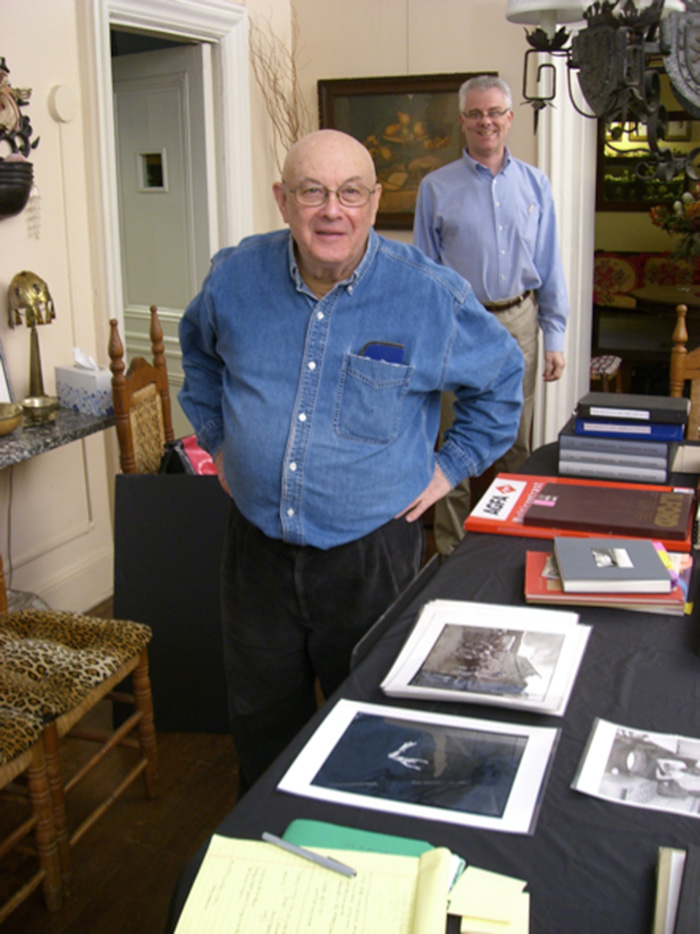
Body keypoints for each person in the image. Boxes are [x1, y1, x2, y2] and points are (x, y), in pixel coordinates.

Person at [178, 128, 524, 793]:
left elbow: (502, 380)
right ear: (283, 200)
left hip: (371, 556)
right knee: (260, 718)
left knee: (372, 721)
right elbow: (197, 354)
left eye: (349, 192)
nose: (330, 210)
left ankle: (363, 858)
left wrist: (449, 467)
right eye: (312, 191)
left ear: (373, 200)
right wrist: (219, 441)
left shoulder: (428, 295)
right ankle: (269, 845)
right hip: (255, 551)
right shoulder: (234, 277)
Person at [414, 74, 569, 555]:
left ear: (509, 118)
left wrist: (555, 335)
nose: (487, 122)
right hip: (458, 326)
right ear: (463, 121)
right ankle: (449, 552)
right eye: (476, 113)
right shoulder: (435, 187)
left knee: (515, 441)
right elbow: (425, 273)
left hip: (520, 323)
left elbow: (549, 264)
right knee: (453, 441)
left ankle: (507, 547)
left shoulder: (535, 184)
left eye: (495, 112)